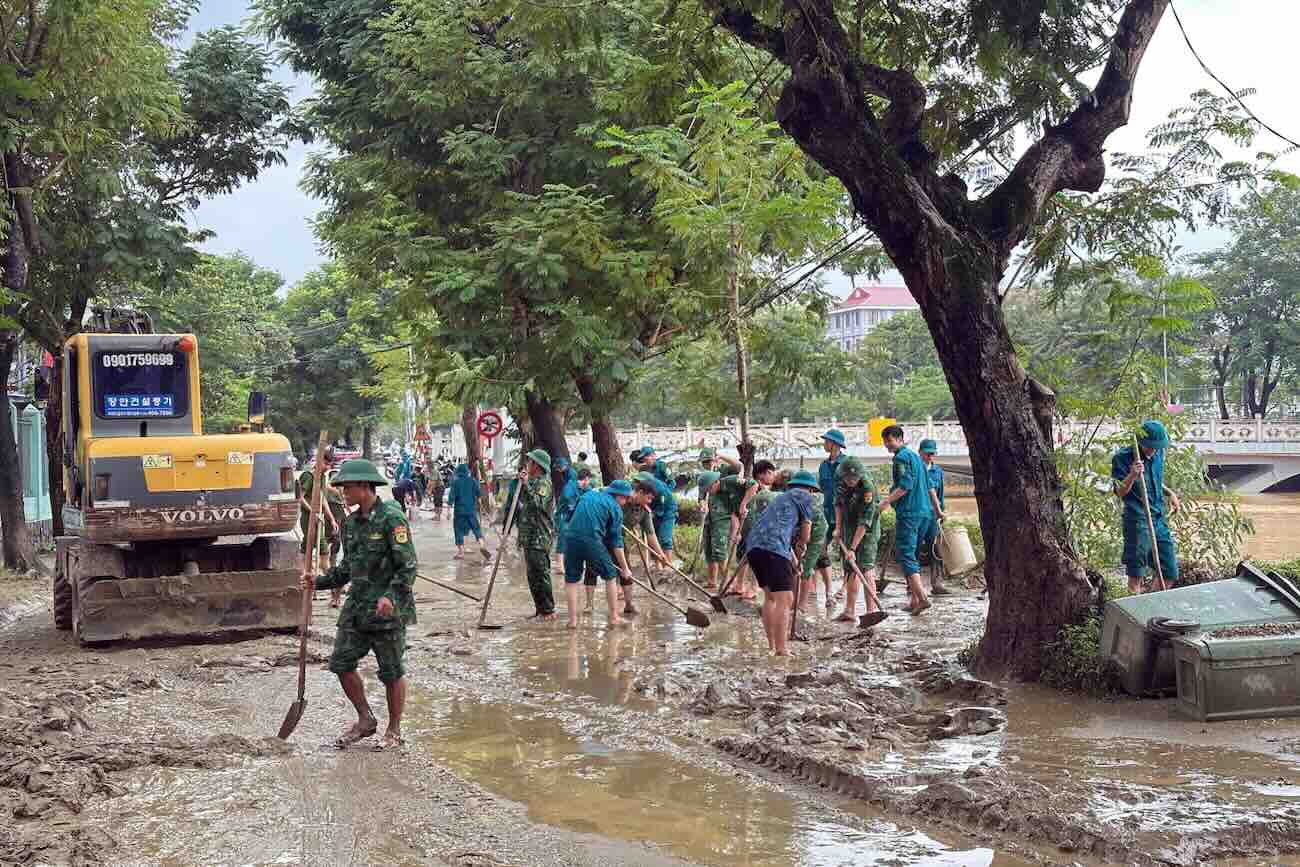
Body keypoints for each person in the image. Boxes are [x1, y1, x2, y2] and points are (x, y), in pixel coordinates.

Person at [301, 459, 417, 751]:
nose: (342, 493)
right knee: (340, 663)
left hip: (388, 610)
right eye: (340, 488)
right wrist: (318, 581)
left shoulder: (392, 517)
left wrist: (390, 596)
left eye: (346, 487)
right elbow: (346, 568)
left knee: (391, 670)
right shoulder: (350, 524)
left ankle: (394, 729)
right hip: (357, 607)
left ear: (365, 486)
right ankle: (365, 718)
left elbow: (409, 566)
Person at [744, 469, 820, 656]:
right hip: (774, 549)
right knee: (785, 600)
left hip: (754, 548)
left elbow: (779, 531)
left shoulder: (781, 499)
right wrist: (802, 544)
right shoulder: (806, 498)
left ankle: (772, 646)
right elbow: (806, 533)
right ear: (810, 489)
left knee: (770, 598)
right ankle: (782, 649)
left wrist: (794, 560)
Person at [562, 479, 652, 629]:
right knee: (610, 575)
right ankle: (614, 617)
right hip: (591, 539)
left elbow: (570, 514)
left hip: (570, 537)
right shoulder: (615, 509)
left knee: (571, 580)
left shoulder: (589, 494)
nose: (625, 502)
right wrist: (624, 568)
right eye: (625, 499)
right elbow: (617, 544)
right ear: (618, 496)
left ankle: (572, 621)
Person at [1112, 420, 1180, 594]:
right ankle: (1137, 613)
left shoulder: (1158, 454)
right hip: (1137, 521)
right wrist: (1133, 474)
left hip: (1158, 517)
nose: (1154, 450)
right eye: (1151, 447)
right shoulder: (1122, 458)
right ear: (1142, 442)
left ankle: (1151, 607)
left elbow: (1154, 481)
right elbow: (1120, 492)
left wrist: (1169, 493)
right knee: (1136, 575)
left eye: (1158, 447)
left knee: (1169, 571)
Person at [880, 425, 932, 615]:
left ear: (900, 439)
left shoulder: (901, 458)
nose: (887, 444)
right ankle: (914, 600)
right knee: (914, 554)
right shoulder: (917, 459)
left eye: (890, 440)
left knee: (906, 556)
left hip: (909, 513)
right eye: (885, 440)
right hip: (925, 513)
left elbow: (905, 486)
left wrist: (886, 501)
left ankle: (923, 599)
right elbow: (927, 486)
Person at [832, 457, 887, 626]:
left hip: (867, 531)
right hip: (849, 526)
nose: (850, 481)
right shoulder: (840, 481)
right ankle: (849, 611)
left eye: (853, 479)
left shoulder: (867, 489)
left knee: (866, 568)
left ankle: (871, 612)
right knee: (850, 568)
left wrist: (853, 548)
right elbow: (839, 505)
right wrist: (838, 528)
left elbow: (864, 522)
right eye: (848, 478)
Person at [699, 470, 757, 592]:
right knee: (734, 551)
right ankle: (729, 584)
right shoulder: (720, 494)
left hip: (751, 514)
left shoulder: (731, 480)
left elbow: (753, 485)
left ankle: (748, 587)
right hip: (740, 516)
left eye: (709, 489)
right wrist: (736, 532)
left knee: (749, 552)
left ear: (715, 482)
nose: (709, 492)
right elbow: (732, 513)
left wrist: (744, 504)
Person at [516, 449, 557, 620]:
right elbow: (524, 506)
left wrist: (525, 484)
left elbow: (538, 504)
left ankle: (548, 610)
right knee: (532, 575)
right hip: (529, 537)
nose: (527, 464)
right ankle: (540, 609)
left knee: (541, 573)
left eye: (530, 462)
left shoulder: (544, 483)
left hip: (540, 537)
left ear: (537, 466)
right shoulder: (533, 482)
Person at [917, 439, 951, 596]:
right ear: (920, 452)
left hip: (932, 516)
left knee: (935, 549)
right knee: (914, 548)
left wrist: (941, 512)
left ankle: (937, 583)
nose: (930, 457)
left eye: (932, 454)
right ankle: (913, 585)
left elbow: (940, 495)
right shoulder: (915, 468)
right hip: (917, 515)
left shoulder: (937, 471)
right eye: (927, 453)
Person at [817, 429, 847, 606]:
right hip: (826, 514)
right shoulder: (823, 465)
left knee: (847, 553)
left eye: (826, 441)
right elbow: (821, 489)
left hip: (844, 514)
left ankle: (843, 588)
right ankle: (828, 591)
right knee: (821, 549)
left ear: (834, 444)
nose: (824, 444)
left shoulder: (846, 464)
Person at [633, 469, 678, 567]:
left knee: (665, 538)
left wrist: (648, 515)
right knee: (653, 537)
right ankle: (658, 566)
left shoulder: (660, 490)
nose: (637, 484)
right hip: (653, 510)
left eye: (640, 482)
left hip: (667, 511)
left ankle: (668, 565)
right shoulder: (638, 489)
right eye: (637, 482)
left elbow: (660, 508)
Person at [447, 463, 492, 562]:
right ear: (467, 472)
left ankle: (461, 552)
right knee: (476, 529)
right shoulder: (473, 481)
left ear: (458, 472)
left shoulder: (455, 482)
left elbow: (451, 497)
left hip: (459, 512)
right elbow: (479, 495)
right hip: (471, 511)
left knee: (458, 530)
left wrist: (448, 511)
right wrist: (479, 501)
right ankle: (482, 545)